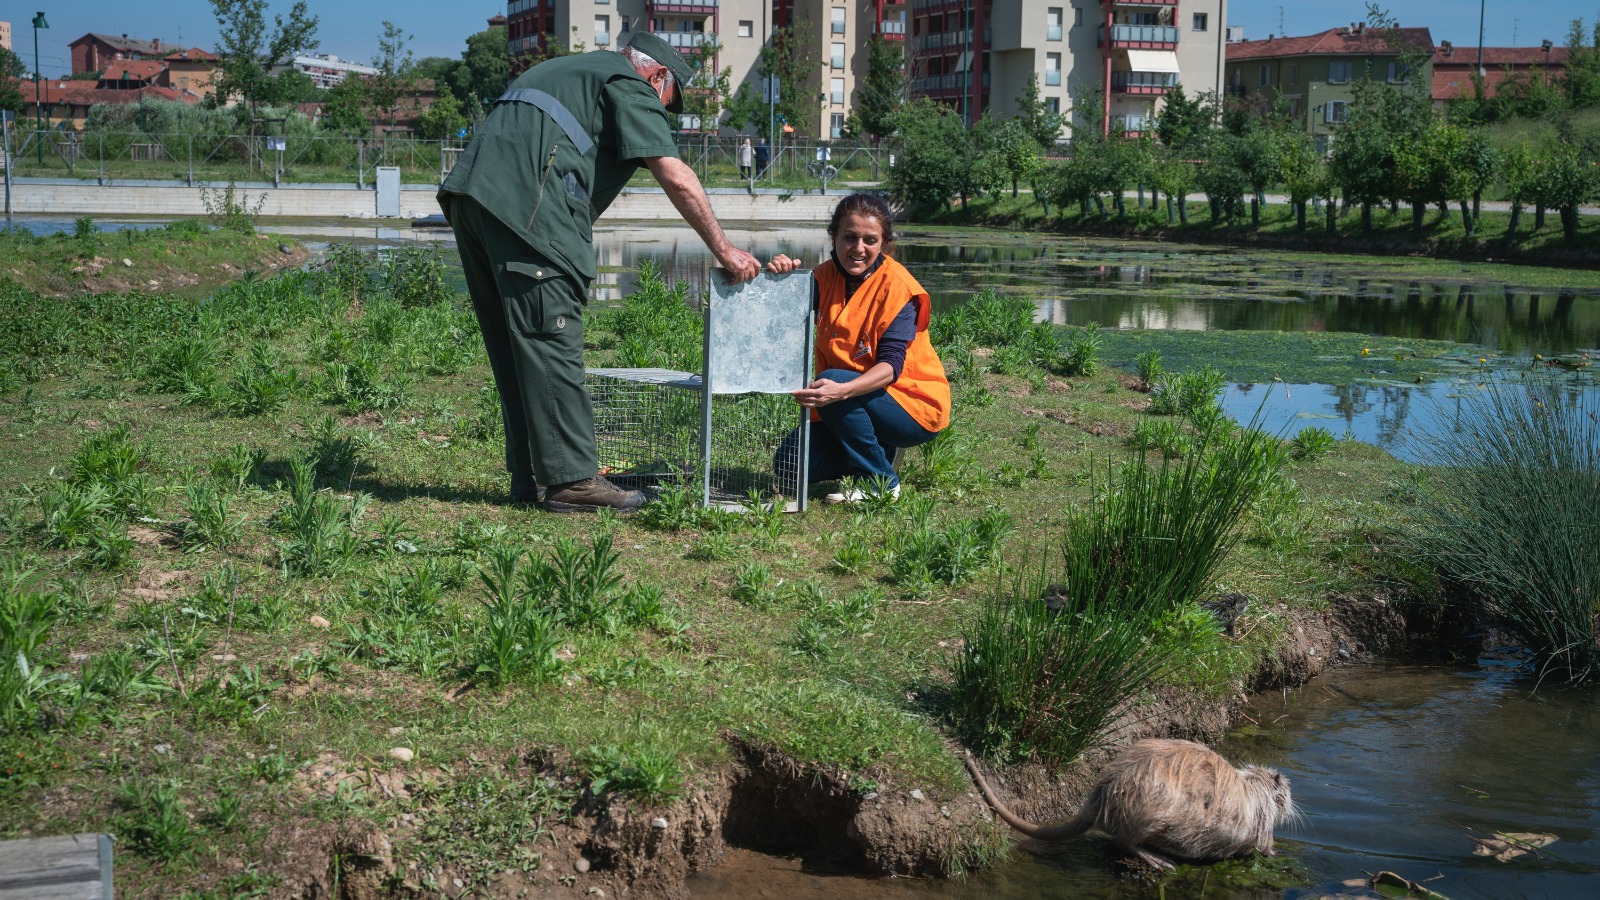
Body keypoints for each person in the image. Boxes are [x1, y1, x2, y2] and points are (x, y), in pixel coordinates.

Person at [438, 32, 762, 513]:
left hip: (473, 198)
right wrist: (726, 249)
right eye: (665, 103)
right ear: (656, 76)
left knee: (516, 344)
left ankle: (529, 473)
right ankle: (572, 482)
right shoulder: (628, 82)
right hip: (527, 207)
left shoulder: (568, 69)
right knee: (552, 335)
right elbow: (674, 174)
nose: (660, 114)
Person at [767, 194, 950, 502]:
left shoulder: (899, 288)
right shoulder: (821, 278)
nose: (858, 249)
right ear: (834, 237)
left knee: (836, 381)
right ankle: (879, 453)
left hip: (910, 405)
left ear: (885, 244)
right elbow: (777, 321)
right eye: (849, 238)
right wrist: (780, 283)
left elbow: (891, 368)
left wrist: (841, 391)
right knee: (788, 466)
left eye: (870, 240)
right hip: (848, 402)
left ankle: (880, 481)